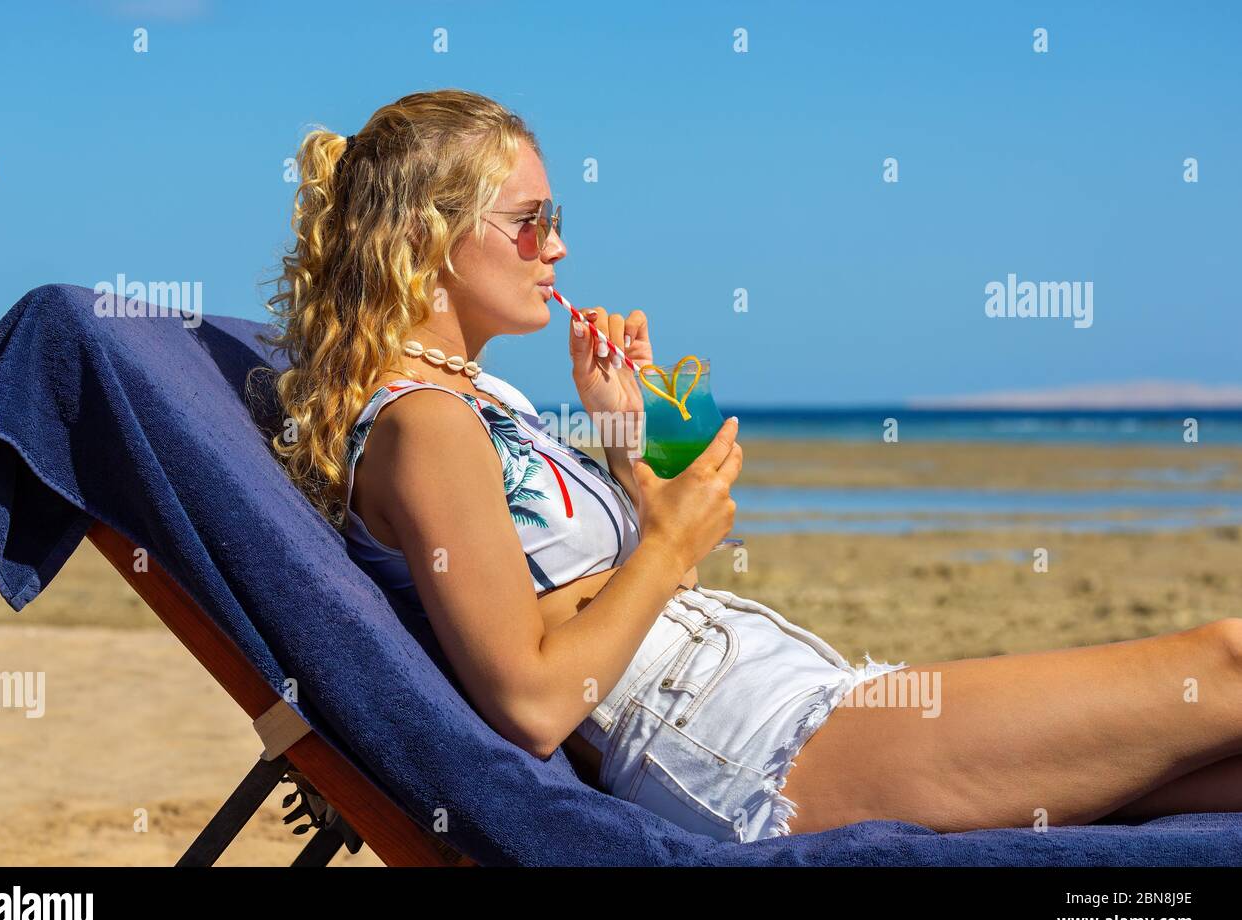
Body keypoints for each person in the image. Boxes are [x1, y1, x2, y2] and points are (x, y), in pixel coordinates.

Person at [261, 89, 1242, 842]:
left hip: (792, 693)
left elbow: (614, 580)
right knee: (1225, 663)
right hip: (748, 746)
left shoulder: (483, 400)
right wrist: (672, 538)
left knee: (1211, 767)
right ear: (429, 236)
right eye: (529, 220)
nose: (556, 245)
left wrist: (625, 438)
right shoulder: (424, 425)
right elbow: (532, 698)